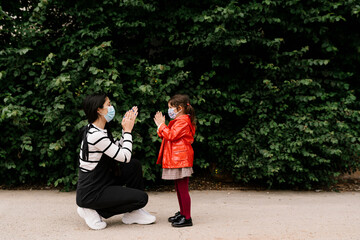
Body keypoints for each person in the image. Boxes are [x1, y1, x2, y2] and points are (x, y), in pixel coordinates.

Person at [76, 93, 156, 230]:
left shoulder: (100, 130)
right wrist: (128, 131)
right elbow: (125, 156)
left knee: (133, 166)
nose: (112, 107)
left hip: (103, 180)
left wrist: (125, 131)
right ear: (99, 110)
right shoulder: (95, 135)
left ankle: (133, 213)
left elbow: (116, 150)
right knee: (141, 198)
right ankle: (92, 209)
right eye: (109, 104)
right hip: (92, 192)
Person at [153, 94, 196, 228]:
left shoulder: (183, 121)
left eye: (171, 107)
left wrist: (161, 125)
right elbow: (166, 135)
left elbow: (171, 135)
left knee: (182, 188)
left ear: (180, 108)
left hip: (181, 159)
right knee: (179, 187)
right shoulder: (179, 121)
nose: (169, 110)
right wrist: (161, 127)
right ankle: (183, 213)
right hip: (177, 159)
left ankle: (187, 217)